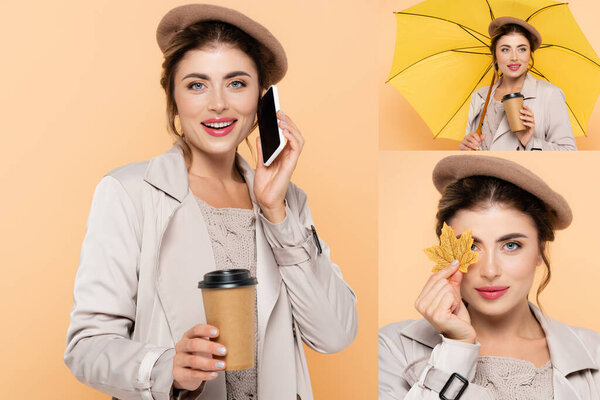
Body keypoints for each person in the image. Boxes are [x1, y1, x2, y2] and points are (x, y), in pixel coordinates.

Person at [64, 4, 358, 400]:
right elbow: (87, 347)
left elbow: (335, 335)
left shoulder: (287, 203)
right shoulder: (129, 193)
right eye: (197, 85)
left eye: (236, 83)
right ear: (174, 97)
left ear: (262, 100)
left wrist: (275, 211)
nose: (218, 104)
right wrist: (164, 367)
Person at [379, 155, 600, 399]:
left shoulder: (595, 352)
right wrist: (457, 349)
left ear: (541, 251)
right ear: (446, 251)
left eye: (512, 245)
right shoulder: (392, 347)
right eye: (472, 247)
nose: (490, 270)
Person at [460, 17, 577, 151]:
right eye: (505, 50)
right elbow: (475, 150)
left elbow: (569, 152)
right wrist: (467, 147)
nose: (514, 57)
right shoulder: (480, 96)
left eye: (522, 49)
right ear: (495, 55)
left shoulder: (549, 94)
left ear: (530, 54)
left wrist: (529, 141)